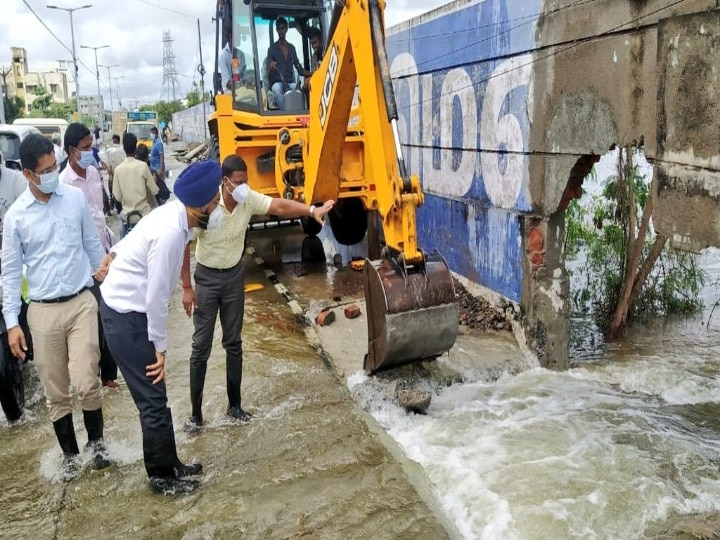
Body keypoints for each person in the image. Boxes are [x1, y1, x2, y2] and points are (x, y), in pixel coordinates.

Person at [181, 155, 334, 432]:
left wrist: (310, 210)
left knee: (234, 343)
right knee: (200, 347)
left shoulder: (247, 199)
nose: (243, 187)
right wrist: (187, 288)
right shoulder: (208, 204)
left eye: (246, 182)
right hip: (206, 279)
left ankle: (235, 407)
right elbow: (183, 242)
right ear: (225, 182)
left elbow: (278, 205)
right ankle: (195, 415)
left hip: (233, 276)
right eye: (238, 183)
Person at [98, 160, 221, 495]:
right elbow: (155, 298)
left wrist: (112, 253)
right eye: (214, 203)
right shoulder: (171, 231)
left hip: (127, 310)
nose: (216, 207)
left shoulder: (174, 216)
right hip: (126, 316)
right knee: (152, 399)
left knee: (158, 395)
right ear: (199, 205)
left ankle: (172, 465)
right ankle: (160, 478)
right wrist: (161, 348)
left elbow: (133, 238)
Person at [2, 134, 111, 480]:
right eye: (44, 170)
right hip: (43, 312)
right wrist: (11, 323)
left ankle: (97, 447)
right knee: (56, 392)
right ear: (27, 172)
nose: (52, 174)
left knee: (87, 381)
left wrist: (107, 275)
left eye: (55, 166)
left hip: (81, 303)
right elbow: (8, 273)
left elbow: (93, 247)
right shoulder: (16, 218)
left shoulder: (74, 199)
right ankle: (70, 457)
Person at [60, 123, 119, 389]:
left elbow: (99, 213)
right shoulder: (62, 184)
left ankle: (109, 376)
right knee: (94, 319)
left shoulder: (94, 173)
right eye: (85, 148)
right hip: (83, 264)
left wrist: (110, 247)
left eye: (91, 147)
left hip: (104, 253)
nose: (90, 152)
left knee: (111, 313)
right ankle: (95, 377)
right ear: (72, 151)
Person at [112, 133, 159, 237]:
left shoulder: (118, 170)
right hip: (144, 214)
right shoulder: (143, 166)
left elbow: (118, 197)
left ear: (123, 148)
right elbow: (155, 191)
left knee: (122, 232)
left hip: (128, 216)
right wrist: (153, 182)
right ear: (135, 147)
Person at [266, 17, 311, 109]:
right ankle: (285, 112)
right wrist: (271, 67)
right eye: (279, 28)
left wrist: (314, 73)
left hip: (290, 83)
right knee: (277, 90)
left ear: (286, 29)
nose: (281, 31)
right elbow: (268, 74)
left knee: (301, 91)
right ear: (276, 30)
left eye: (283, 28)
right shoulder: (272, 49)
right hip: (278, 83)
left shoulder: (292, 48)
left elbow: (300, 70)